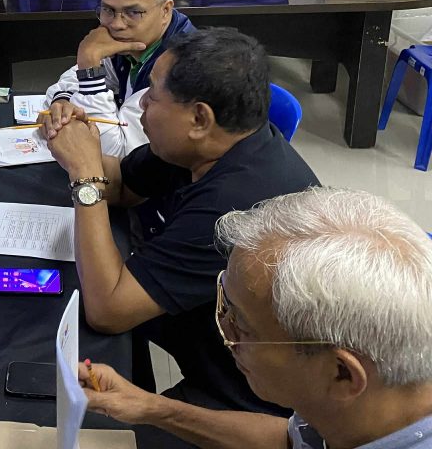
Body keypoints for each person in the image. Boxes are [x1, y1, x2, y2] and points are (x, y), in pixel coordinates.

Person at [42, 28, 320, 431]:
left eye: (152, 96)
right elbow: (122, 183)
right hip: (202, 339)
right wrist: (76, 140)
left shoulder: (235, 207)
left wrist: (85, 175)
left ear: (199, 118)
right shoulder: (204, 146)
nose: (143, 108)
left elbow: (107, 311)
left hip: (249, 405)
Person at [78, 187, 432, 449]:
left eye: (241, 326)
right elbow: (292, 441)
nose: (224, 330)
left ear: (341, 373)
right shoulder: (359, 407)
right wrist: (152, 408)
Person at [44, 0, 194, 159]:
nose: (116, 24)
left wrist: (90, 69)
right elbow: (70, 81)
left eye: (133, 12)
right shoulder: (131, 43)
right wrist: (63, 101)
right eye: (108, 9)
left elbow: (115, 156)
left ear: (165, 10)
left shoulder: (178, 70)